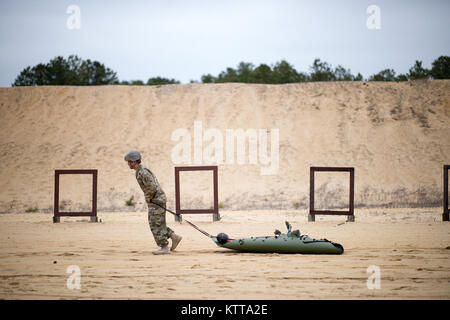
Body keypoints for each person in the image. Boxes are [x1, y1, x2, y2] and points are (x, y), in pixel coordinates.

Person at [124, 150, 182, 255]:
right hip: (156, 199)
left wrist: (149, 198)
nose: (128, 164)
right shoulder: (140, 171)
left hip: (156, 200)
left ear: (134, 161)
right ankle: (173, 236)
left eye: (129, 161)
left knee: (155, 223)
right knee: (158, 222)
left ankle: (164, 247)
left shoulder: (143, 172)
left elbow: (152, 187)